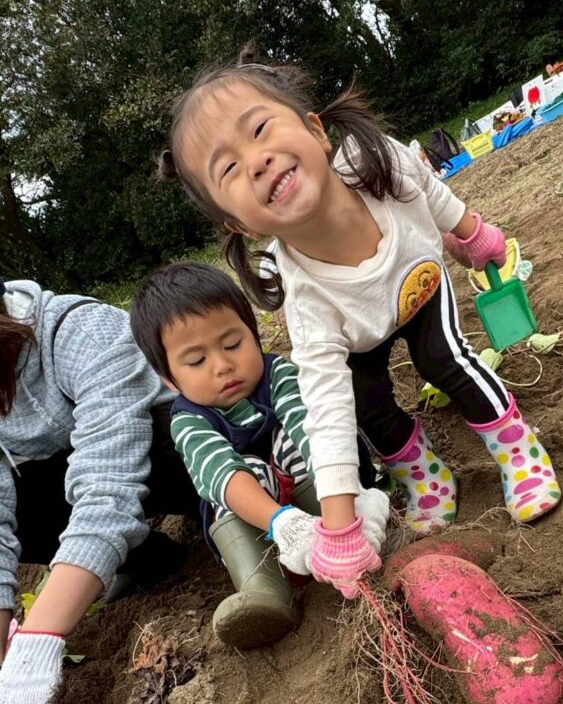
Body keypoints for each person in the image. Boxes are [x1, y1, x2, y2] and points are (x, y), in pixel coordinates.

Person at [156, 50, 562, 600]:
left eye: (260, 129)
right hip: (355, 333)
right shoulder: (304, 298)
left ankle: (517, 449)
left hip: (417, 283)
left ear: (315, 130)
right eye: (228, 169)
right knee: (366, 407)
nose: (255, 161)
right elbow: (325, 411)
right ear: (239, 224)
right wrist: (341, 527)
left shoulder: (379, 164)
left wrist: (471, 232)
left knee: (446, 361)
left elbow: (431, 191)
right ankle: (423, 472)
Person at [130, 262, 389, 646]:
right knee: (236, 481)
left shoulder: (279, 374)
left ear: (253, 334)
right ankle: (267, 594)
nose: (223, 365)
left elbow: (310, 428)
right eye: (197, 361)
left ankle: (351, 530)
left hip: (326, 498)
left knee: (295, 441)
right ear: (169, 379)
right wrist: (283, 524)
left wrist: (347, 506)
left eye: (233, 344)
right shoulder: (187, 420)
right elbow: (220, 472)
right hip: (264, 525)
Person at [0, 279, 200, 704]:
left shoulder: (77, 331)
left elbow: (108, 482)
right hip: (88, 472)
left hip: (169, 451)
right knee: (25, 511)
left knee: (191, 454)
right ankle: (146, 559)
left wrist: (38, 640)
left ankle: (225, 511)